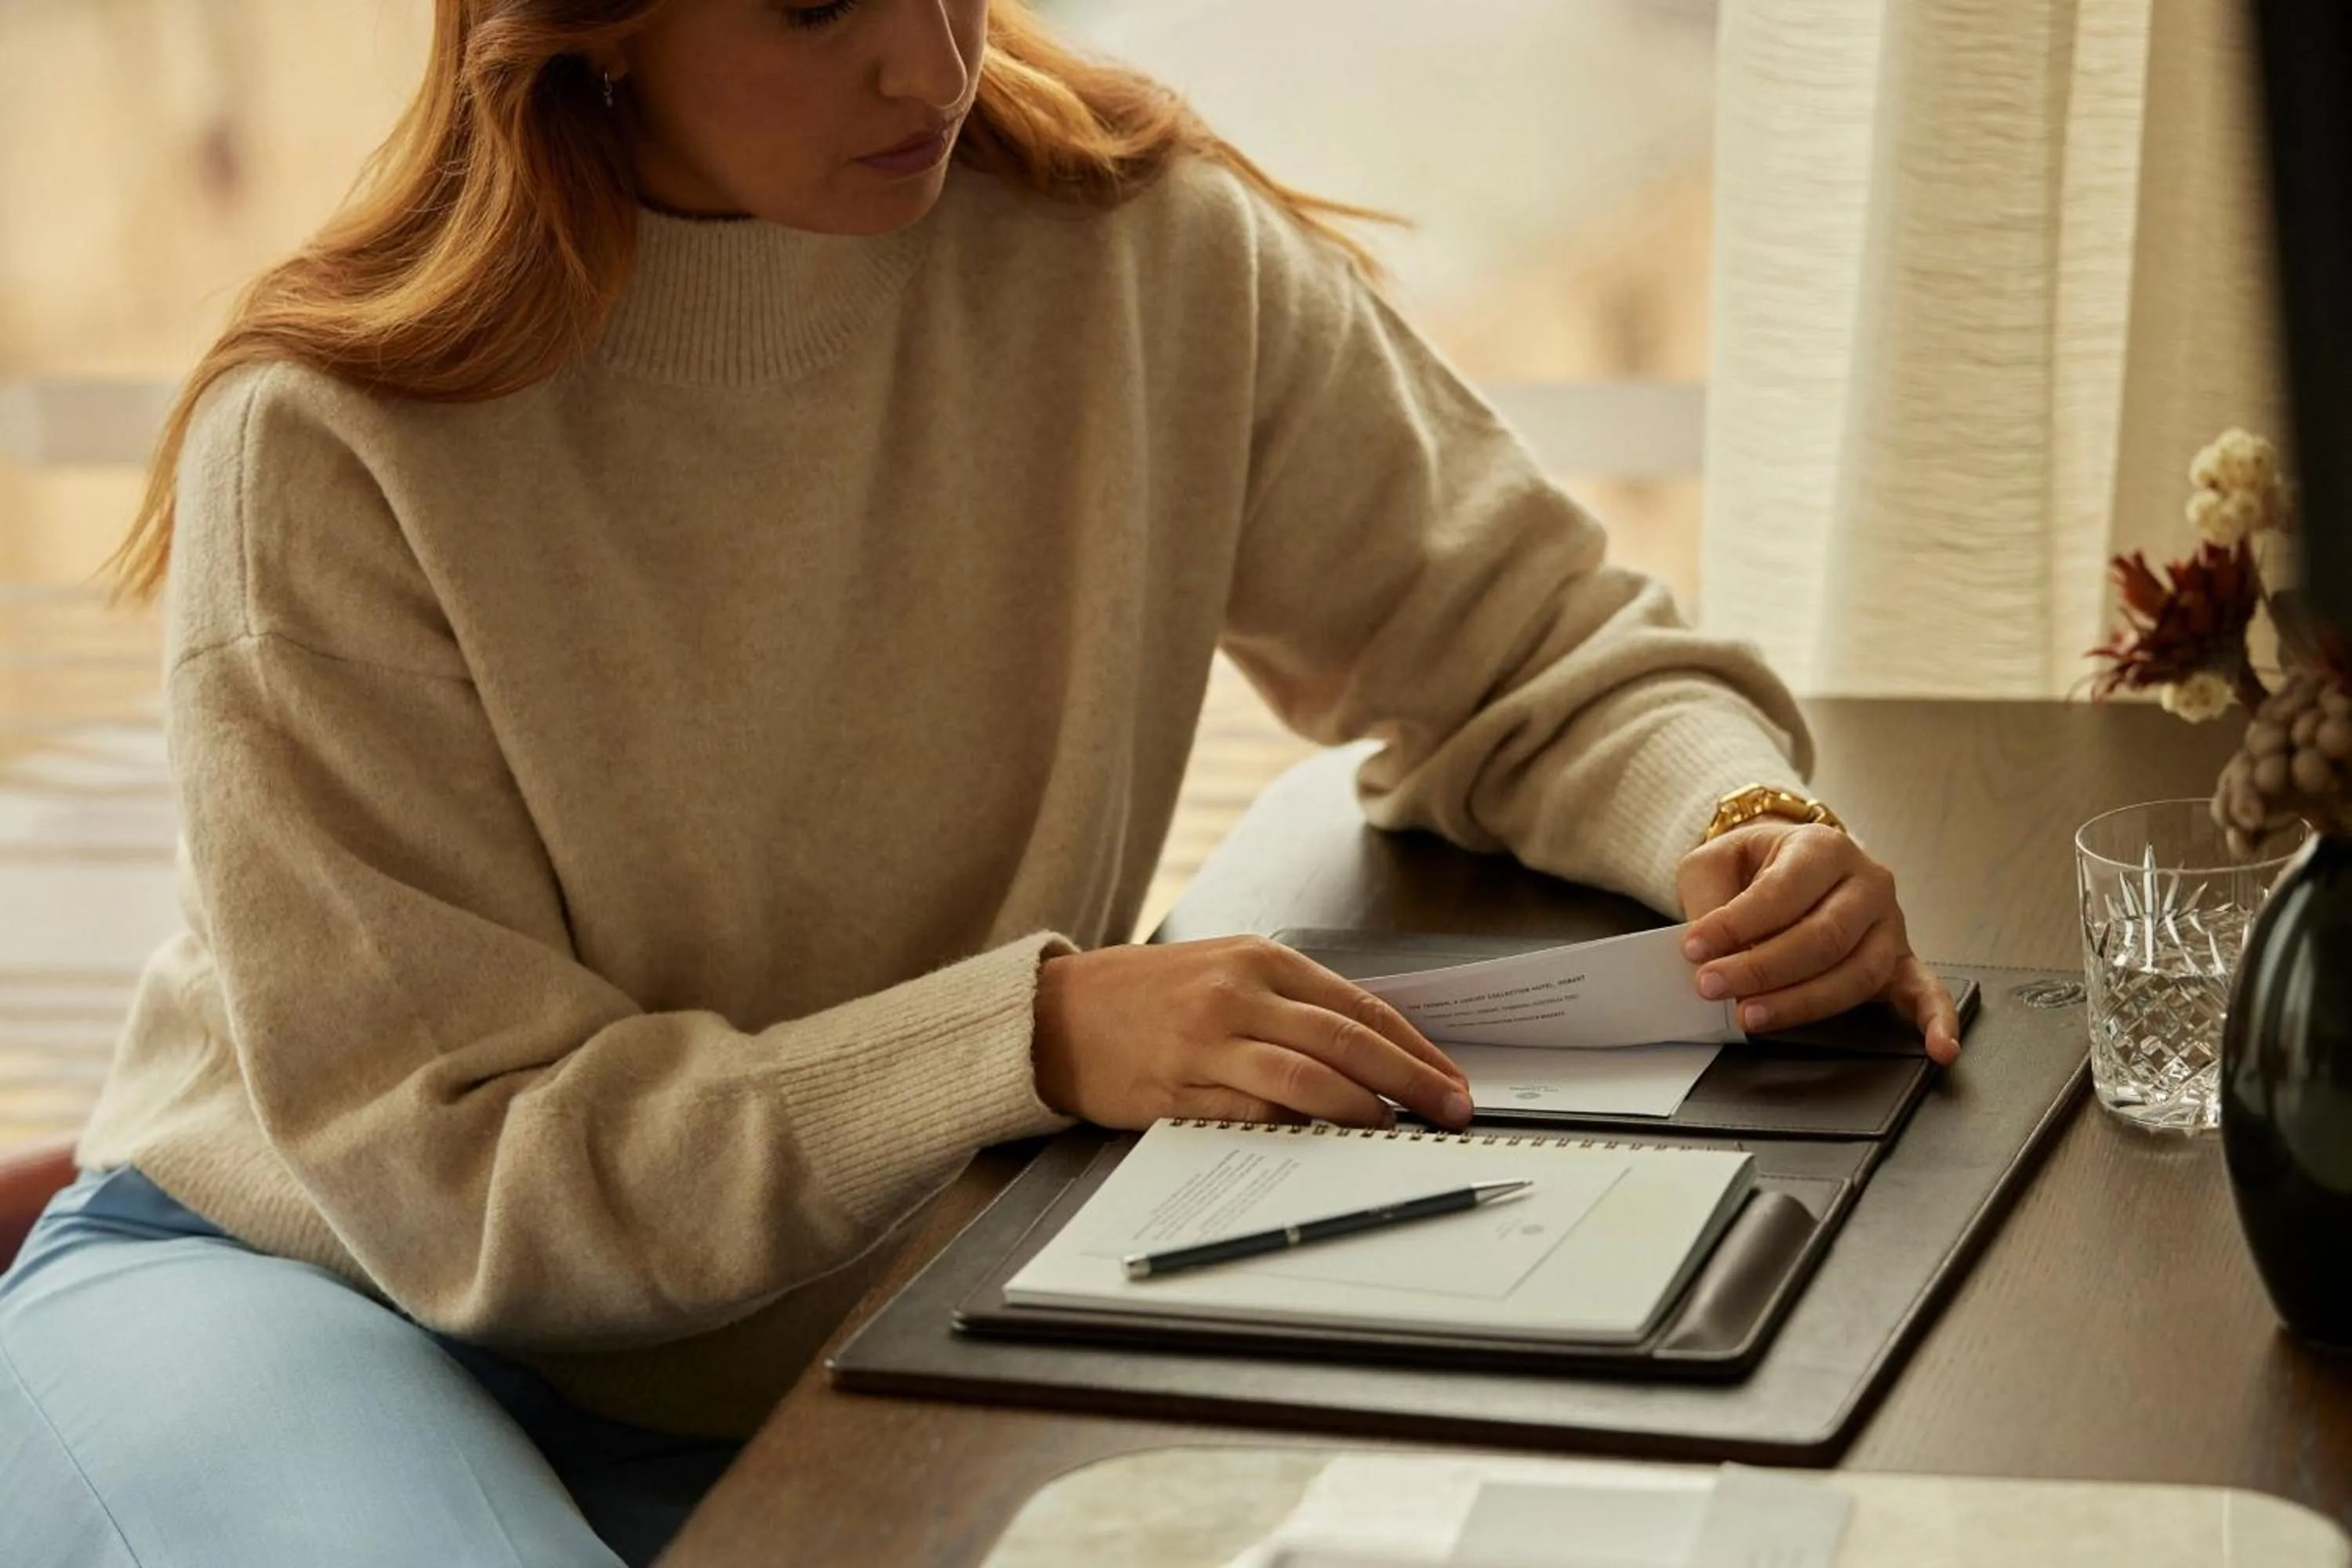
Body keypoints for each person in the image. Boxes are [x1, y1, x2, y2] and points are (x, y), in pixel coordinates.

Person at [0, 2, 1961, 1563]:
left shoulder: (1142, 255)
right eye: (815, 3)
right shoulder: (333, 442)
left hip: (888, 1311)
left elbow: (1528, 643)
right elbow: (456, 1174)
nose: (931, 62)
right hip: (311, 1292)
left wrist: (1736, 823)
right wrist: (1018, 1037)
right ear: (588, 25)